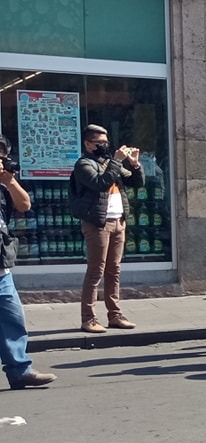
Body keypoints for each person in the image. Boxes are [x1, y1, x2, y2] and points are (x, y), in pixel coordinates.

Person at [69, 124, 143, 333]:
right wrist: (117, 161)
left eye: (106, 142)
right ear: (88, 144)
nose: (104, 146)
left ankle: (115, 315)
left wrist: (135, 165)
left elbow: (137, 182)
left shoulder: (110, 163)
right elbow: (100, 183)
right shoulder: (84, 164)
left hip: (118, 221)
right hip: (98, 222)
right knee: (96, 271)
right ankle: (88, 318)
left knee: (114, 270)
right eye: (99, 143)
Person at [0, 135, 56, 390]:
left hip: (1, 268)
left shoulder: (4, 182)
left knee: (13, 320)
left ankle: (20, 371)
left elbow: (25, 204)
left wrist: (9, 181)